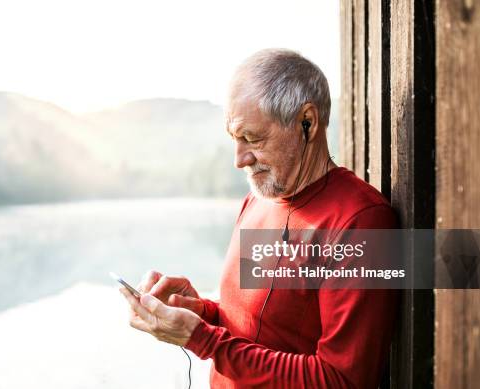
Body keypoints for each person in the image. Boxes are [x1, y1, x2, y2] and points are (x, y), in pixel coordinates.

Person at [119, 49, 398, 388]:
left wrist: (203, 339)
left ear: (306, 123)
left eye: (251, 138)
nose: (239, 159)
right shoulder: (257, 200)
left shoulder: (361, 222)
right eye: (234, 139)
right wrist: (202, 314)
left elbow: (342, 380)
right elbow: (265, 326)